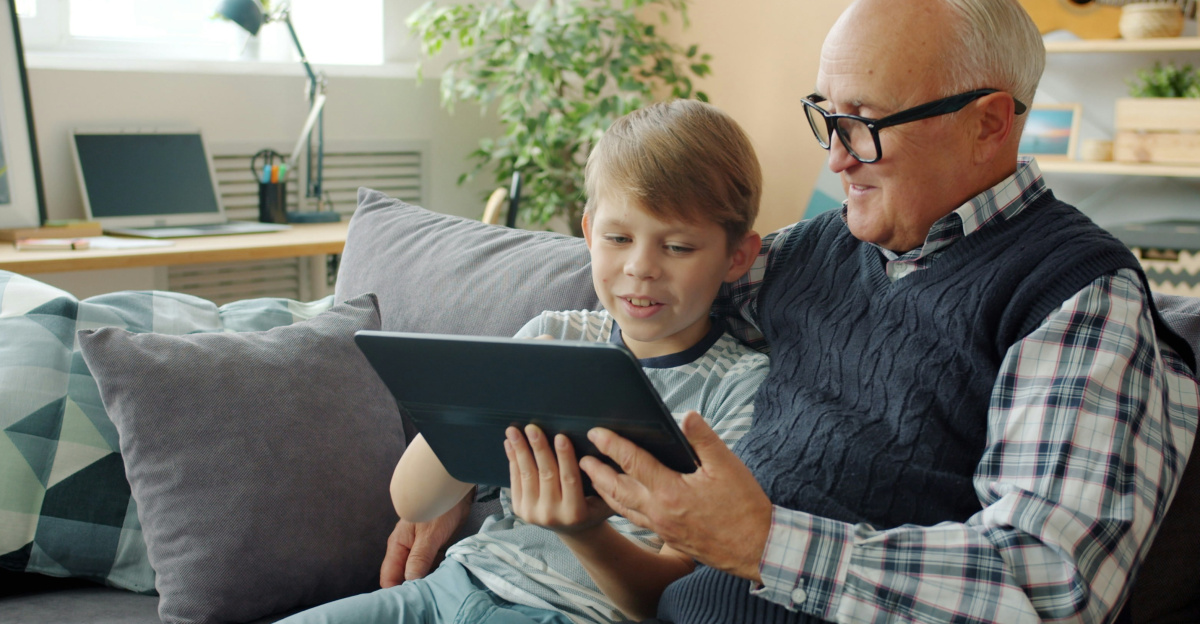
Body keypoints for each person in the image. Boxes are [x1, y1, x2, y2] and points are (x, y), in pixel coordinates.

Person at [381, 1, 1200, 622]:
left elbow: (1049, 582)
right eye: (827, 117)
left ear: (989, 123)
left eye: (865, 125)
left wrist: (764, 544)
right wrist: (478, 452)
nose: (834, 156)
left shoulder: (1076, 295)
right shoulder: (812, 251)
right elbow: (648, 294)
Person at [281, 99, 770, 624]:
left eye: (676, 246)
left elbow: (666, 600)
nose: (640, 267)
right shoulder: (549, 337)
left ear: (737, 257)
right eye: (619, 238)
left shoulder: (740, 386)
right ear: (588, 233)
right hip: (458, 582)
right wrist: (477, 402)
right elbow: (413, 501)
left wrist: (581, 530)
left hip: (576, 614)